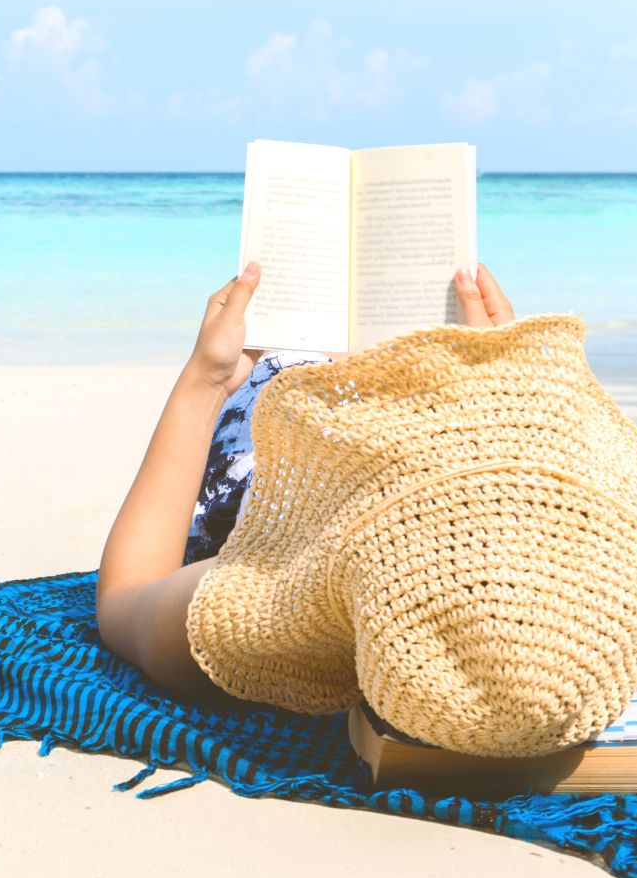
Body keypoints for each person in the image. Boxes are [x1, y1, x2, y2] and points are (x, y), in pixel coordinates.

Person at [94, 261, 519, 704]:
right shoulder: (462, 553)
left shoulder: (262, 599)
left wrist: (207, 379)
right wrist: (500, 399)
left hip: (275, 400)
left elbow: (124, 598)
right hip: (468, 448)